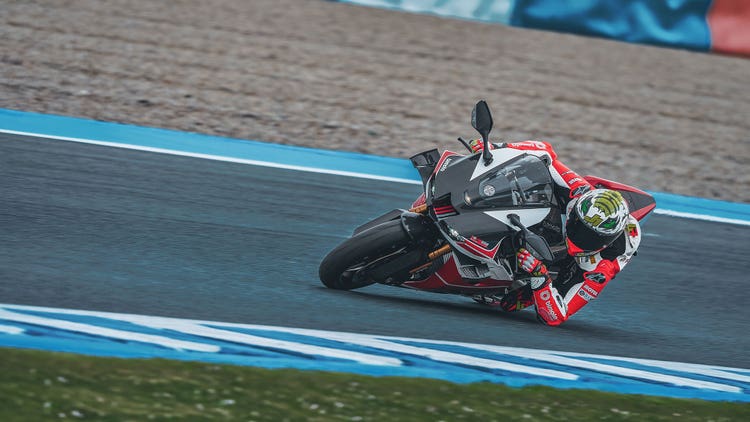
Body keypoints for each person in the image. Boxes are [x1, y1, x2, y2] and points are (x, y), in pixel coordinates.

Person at [469, 139, 642, 326]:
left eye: (589, 237)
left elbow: (556, 316)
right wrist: (498, 147)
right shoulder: (578, 191)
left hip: (584, 262)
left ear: (606, 241)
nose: (579, 237)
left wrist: (539, 276)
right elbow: (546, 152)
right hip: (580, 207)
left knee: (512, 302)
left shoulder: (602, 268)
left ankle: (530, 284)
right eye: (579, 226)